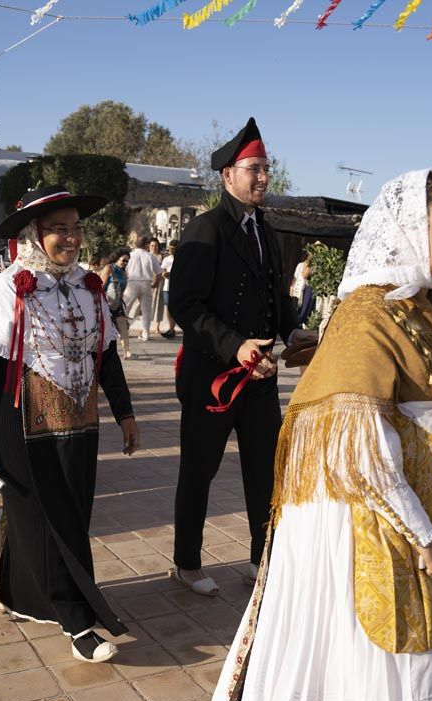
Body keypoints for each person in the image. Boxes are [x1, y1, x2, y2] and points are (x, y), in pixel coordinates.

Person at [191, 171, 432, 701]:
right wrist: (427, 536)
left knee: (406, 677)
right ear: (409, 231)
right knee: (382, 676)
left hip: (420, 528)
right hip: (374, 533)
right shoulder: (367, 319)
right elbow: (360, 447)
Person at [0, 185, 139, 663]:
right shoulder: (7, 290)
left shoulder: (88, 288)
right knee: (41, 516)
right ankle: (76, 621)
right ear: (36, 234)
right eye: (60, 230)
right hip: (18, 423)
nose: (71, 238)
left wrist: (125, 412)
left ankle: (22, 591)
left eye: (76, 229)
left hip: (78, 419)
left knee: (72, 514)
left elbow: (107, 357)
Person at [168, 117, 302, 595]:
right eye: (254, 169)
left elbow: (277, 300)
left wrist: (298, 334)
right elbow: (184, 305)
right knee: (199, 470)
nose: (263, 177)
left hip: (261, 377)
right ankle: (186, 563)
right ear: (228, 176)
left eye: (266, 168)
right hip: (213, 375)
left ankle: (260, 558)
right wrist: (234, 345)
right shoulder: (206, 229)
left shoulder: (267, 232)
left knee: (265, 471)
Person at [123, 237, 160, 342]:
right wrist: (156, 283)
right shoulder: (150, 256)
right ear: (146, 245)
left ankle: (122, 331)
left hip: (132, 282)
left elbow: (125, 270)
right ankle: (146, 334)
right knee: (146, 310)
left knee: (125, 307)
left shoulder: (130, 255)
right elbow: (158, 272)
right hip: (146, 282)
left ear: (135, 244)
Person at [158, 240, 177, 337]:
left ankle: (173, 328)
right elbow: (163, 271)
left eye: (173, 249)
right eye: (170, 248)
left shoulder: (181, 259)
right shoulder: (166, 259)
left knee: (176, 308)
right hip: (167, 287)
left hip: (177, 287)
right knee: (168, 308)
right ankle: (171, 328)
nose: (171, 251)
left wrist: (172, 274)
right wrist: (164, 273)